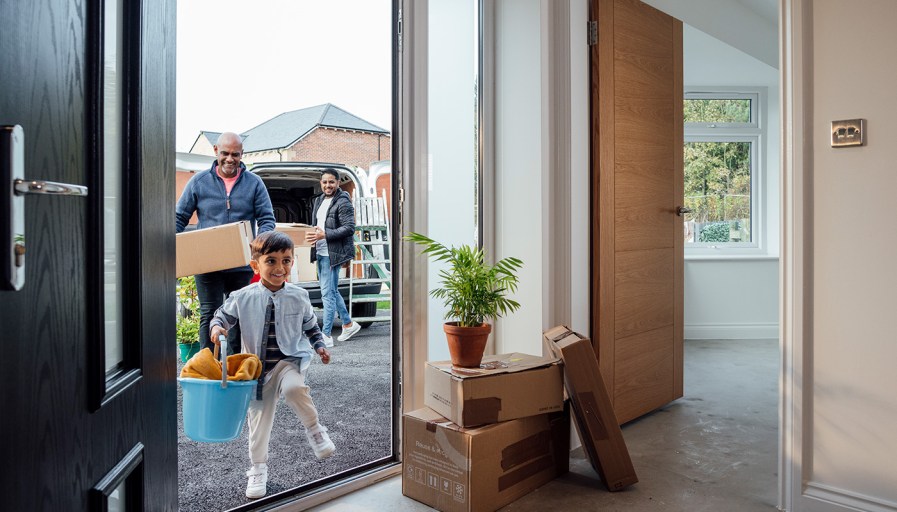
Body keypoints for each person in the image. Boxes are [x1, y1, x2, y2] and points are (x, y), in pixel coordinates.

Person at [210, 231, 335, 500]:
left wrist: (320, 346)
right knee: (259, 424)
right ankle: (257, 468)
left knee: (294, 389)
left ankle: (315, 430)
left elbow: (310, 326)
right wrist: (217, 327)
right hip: (255, 371)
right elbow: (222, 315)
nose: (280, 268)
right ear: (256, 265)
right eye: (271, 261)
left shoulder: (299, 296)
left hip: (288, 361)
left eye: (286, 260)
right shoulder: (242, 296)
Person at [176, 132, 275, 355]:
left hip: (241, 263)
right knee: (209, 313)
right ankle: (207, 367)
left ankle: (234, 366)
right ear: (215, 152)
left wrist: (259, 244)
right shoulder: (199, 182)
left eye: (235, 154)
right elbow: (179, 217)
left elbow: (267, 219)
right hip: (207, 264)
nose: (229, 159)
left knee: (238, 314)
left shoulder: (254, 183)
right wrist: (171, 246)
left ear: (242, 155)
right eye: (225, 153)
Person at [305, 168, 361, 346]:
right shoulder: (319, 200)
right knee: (332, 291)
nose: (327, 185)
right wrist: (313, 235)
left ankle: (326, 335)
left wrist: (324, 235)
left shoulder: (343, 201)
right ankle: (348, 324)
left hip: (333, 253)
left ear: (337, 183)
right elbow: (318, 225)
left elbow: (349, 228)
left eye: (331, 182)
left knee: (327, 294)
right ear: (320, 183)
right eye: (324, 182)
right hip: (320, 251)